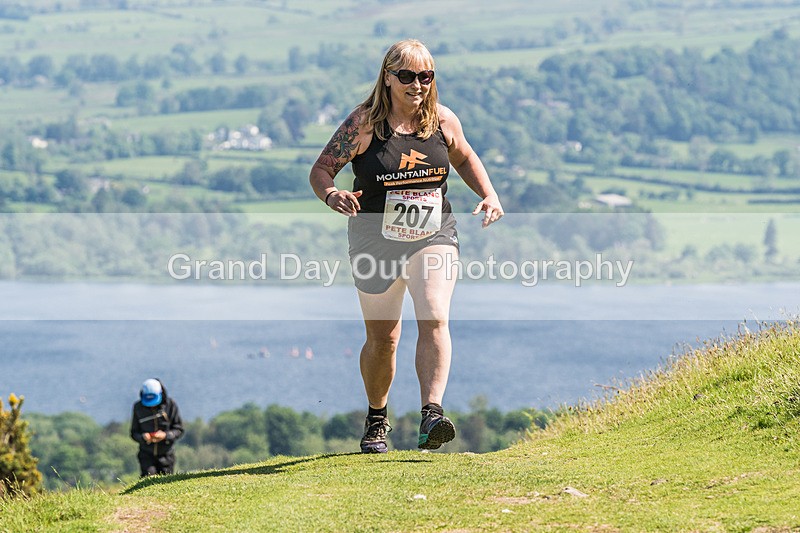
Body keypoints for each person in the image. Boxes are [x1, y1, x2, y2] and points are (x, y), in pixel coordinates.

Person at [309, 39, 503, 453]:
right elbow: (322, 169)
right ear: (388, 77)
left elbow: (465, 158)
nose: (418, 84)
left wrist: (488, 194)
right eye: (408, 76)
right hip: (373, 239)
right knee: (384, 339)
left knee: (434, 316)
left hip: (434, 233)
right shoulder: (362, 125)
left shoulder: (443, 121)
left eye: (426, 76)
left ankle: (431, 414)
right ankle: (377, 416)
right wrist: (331, 196)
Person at [130, 378, 184, 476]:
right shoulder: (138, 407)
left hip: (166, 455)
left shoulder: (170, 405)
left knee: (166, 484)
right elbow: (134, 433)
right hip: (146, 455)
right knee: (148, 480)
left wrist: (165, 435)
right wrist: (143, 437)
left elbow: (179, 429)